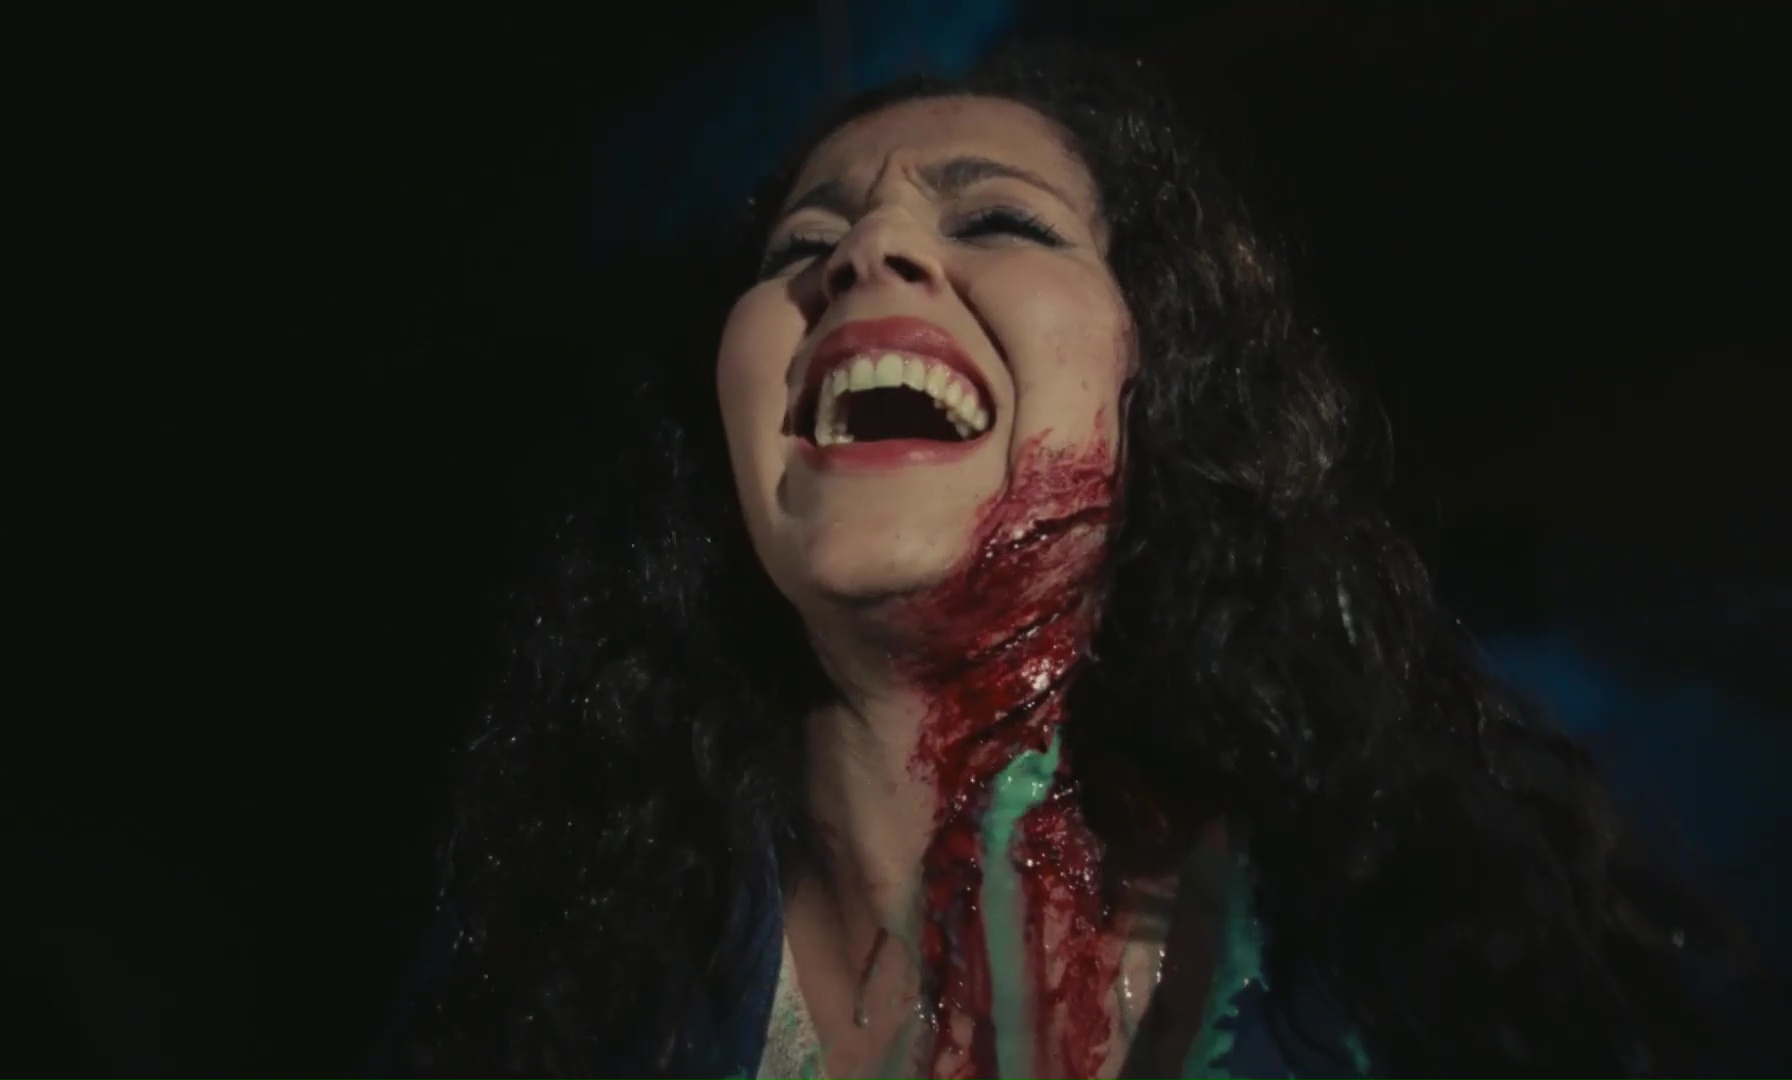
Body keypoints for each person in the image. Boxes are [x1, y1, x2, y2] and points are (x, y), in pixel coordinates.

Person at [398, 41, 1753, 1080]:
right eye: (802, 243)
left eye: (1000, 221)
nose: (868, 249)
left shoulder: (1437, 962)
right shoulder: (543, 979)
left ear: (1154, 385)